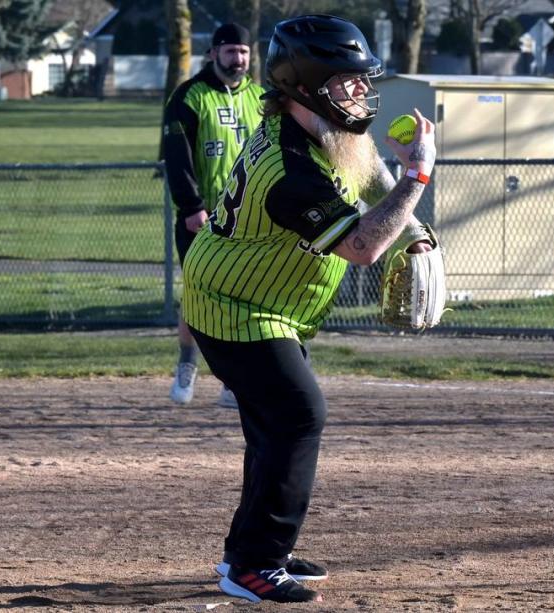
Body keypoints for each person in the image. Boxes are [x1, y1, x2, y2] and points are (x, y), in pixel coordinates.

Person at [181, 15, 438, 603]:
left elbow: (369, 171)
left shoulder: (318, 133)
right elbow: (362, 247)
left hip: (261, 302)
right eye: (346, 81)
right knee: (298, 416)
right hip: (234, 307)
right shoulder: (290, 170)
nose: (360, 92)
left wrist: (415, 229)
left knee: (273, 429)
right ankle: (253, 565)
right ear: (308, 84)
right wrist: (418, 174)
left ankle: (250, 549)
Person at [162, 23, 264, 408]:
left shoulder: (261, 98)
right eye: (230, 52)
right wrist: (191, 206)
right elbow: (177, 157)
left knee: (243, 298)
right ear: (213, 53)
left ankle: (232, 380)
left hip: (250, 219)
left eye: (243, 52)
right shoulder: (189, 96)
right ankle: (188, 364)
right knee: (198, 298)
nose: (237, 60)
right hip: (201, 218)